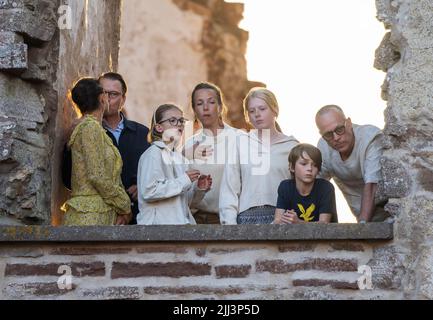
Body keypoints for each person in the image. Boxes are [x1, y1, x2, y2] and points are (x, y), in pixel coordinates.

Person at [62, 72, 150, 224]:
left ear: (123, 99)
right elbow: (76, 177)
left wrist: (141, 185)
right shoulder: (88, 128)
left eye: (113, 94)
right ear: (98, 96)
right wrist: (124, 205)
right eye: (104, 92)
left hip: (137, 216)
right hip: (96, 215)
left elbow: (156, 171)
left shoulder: (143, 133)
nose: (108, 98)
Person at [219, 87, 299, 224]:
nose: (257, 114)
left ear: (275, 110)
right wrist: (229, 228)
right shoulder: (240, 143)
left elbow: (302, 189)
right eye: (251, 111)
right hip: (246, 218)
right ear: (247, 116)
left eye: (262, 109)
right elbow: (229, 189)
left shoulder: (292, 146)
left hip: (282, 218)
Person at [136, 104, 213, 225]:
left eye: (181, 121)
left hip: (181, 227)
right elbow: (149, 191)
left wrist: (199, 189)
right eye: (172, 120)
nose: (179, 124)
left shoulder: (180, 159)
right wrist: (185, 179)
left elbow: (186, 202)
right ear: (159, 127)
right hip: (157, 229)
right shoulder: (153, 154)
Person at [315, 104, 389, 223]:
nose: (336, 138)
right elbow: (315, 184)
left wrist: (361, 226)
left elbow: (371, 183)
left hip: (390, 214)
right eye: (328, 135)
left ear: (349, 123)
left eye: (339, 129)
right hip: (360, 216)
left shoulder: (370, 137)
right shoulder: (323, 147)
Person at [183, 82, 240, 224]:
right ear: (194, 110)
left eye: (211, 102)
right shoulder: (190, 144)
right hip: (196, 221)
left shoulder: (239, 139)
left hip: (230, 220)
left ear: (220, 107)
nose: (206, 108)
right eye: (199, 103)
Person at [273, 143, 336, 224]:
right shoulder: (285, 187)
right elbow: (277, 221)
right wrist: (285, 219)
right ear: (292, 167)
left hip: (323, 236)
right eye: (304, 164)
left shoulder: (326, 188)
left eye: (315, 165)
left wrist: (298, 222)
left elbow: (324, 224)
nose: (309, 168)